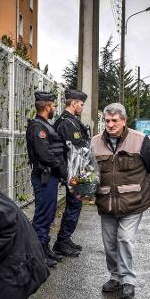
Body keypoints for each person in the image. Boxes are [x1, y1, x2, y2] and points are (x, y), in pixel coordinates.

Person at [90, 103, 150, 299]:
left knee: (123, 238)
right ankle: (115, 276)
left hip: (133, 202)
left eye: (115, 120)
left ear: (124, 121)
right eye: (107, 121)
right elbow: (88, 172)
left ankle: (128, 281)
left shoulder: (140, 140)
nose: (110, 124)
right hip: (106, 203)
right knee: (109, 244)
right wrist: (82, 190)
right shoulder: (95, 142)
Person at [25, 90, 68, 267]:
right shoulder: (37, 127)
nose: (55, 108)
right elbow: (45, 155)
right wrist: (63, 170)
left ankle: (44, 249)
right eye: (54, 106)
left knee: (48, 215)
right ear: (48, 106)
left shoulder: (44, 125)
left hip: (50, 176)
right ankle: (37, 255)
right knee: (43, 217)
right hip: (45, 177)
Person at [53, 89, 90, 257]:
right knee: (74, 206)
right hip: (72, 170)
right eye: (81, 104)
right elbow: (73, 148)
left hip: (75, 169)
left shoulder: (71, 121)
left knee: (75, 205)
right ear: (74, 103)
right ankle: (61, 242)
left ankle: (65, 238)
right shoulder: (66, 123)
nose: (82, 107)